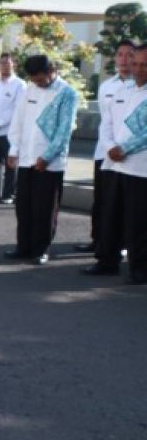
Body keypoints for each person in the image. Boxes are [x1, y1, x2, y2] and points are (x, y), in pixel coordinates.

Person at [4, 54, 80, 266]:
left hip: (50, 162)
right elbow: (18, 121)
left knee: (45, 208)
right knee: (24, 206)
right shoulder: (28, 90)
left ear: (50, 71)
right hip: (26, 158)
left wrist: (47, 157)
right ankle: (23, 246)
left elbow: (64, 131)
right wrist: (14, 150)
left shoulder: (67, 93)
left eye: (40, 79)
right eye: (33, 79)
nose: (37, 83)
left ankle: (41, 249)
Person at [96, 44, 147, 284]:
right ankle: (107, 262)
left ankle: (139, 270)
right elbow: (105, 123)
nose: (138, 69)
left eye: (144, 64)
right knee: (110, 217)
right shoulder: (122, 90)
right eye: (135, 63)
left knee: (137, 223)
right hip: (113, 165)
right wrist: (109, 147)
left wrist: (123, 149)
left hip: (140, 168)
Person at [79, 39, 135, 257]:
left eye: (129, 55)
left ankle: (121, 243)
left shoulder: (140, 87)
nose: (124, 59)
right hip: (105, 152)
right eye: (120, 54)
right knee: (102, 199)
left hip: (129, 156)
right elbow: (106, 121)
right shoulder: (107, 86)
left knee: (123, 203)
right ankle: (98, 240)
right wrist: (109, 146)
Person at [0, 51, 26, 204]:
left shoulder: (19, 85)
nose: (4, 66)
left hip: (8, 132)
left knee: (10, 165)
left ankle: (8, 195)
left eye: (7, 63)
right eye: (1, 63)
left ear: (14, 64)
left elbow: (16, 109)